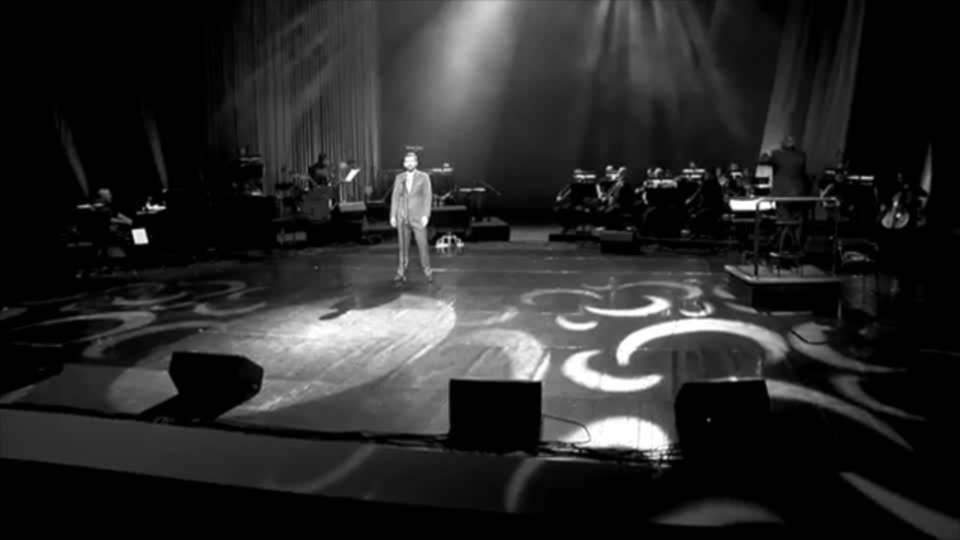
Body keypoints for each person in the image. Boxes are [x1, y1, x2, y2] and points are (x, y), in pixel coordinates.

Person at [390, 152, 433, 283]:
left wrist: (426, 215)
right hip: (402, 217)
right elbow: (395, 197)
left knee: (422, 244)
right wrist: (393, 215)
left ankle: (427, 271)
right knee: (403, 246)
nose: (409, 163)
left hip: (418, 217)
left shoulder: (423, 177)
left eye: (411, 161)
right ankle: (401, 271)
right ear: (404, 164)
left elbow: (427, 196)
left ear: (416, 163)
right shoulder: (399, 178)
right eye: (407, 161)